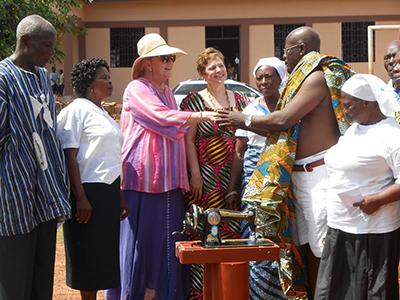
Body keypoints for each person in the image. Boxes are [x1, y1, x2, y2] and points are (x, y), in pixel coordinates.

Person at [216, 26, 353, 297]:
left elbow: (283, 120)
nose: (284, 57)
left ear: (300, 50)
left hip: (319, 178)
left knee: (322, 251)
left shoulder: (315, 77)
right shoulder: (298, 81)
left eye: (286, 51)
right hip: (300, 177)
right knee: (303, 251)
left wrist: (241, 119)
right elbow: (282, 130)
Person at [105, 33, 216, 300]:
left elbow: (175, 127)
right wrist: (202, 114)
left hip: (169, 182)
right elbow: (162, 118)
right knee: (142, 247)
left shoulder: (167, 91)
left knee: (167, 244)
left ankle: (163, 294)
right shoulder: (137, 88)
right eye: (163, 58)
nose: (169, 63)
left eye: (171, 58)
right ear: (146, 63)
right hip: (144, 183)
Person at [0, 15, 71, 300]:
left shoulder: (43, 77)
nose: (51, 54)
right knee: (13, 282)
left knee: (42, 281)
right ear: (25, 42)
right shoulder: (3, 78)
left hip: (44, 196)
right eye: (46, 47)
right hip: (13, 197)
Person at [315, 74, 400, 300]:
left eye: (348, 105)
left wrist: (378, 200)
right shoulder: (354, 129)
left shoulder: (392, 136)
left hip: (372, 231)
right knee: (337, 289)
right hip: (341, 225)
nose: (344, 112)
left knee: (372, 291)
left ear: (368, 103)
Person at [179, 47, 249, 299]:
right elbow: (188, 141)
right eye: (212, 68)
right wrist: (194, 174)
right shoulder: (193, 102)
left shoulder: (241, 100)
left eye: (221, 65)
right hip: (206, 179)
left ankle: (230, 289)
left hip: (235, 175)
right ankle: (202, 292)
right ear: (202, 73)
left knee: (233, 230)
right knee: (205, 232)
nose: (218, 71)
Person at [57, 58, 126, 300]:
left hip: (107, 192)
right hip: (87, 193)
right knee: (88, 257)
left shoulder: (102, 112)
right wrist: (81, 199)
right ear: (89, 84)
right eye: (103, 77)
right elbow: (70, 157)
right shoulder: (75, 112)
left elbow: (110, 157)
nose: (109, 81)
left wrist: (119, 195)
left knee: (102, 257)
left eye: (109, 76)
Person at [226, 57, 287, 299]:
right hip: (254, 180)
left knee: (281, 235)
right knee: (254, 233)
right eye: (259, 77)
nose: (263, 82)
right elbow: (240, 153)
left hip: (282, 179)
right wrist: (233, 188)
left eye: (269, 76)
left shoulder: (289, 107)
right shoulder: (251, 110)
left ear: (280, 78)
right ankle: (258, 293)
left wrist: (248, 124)